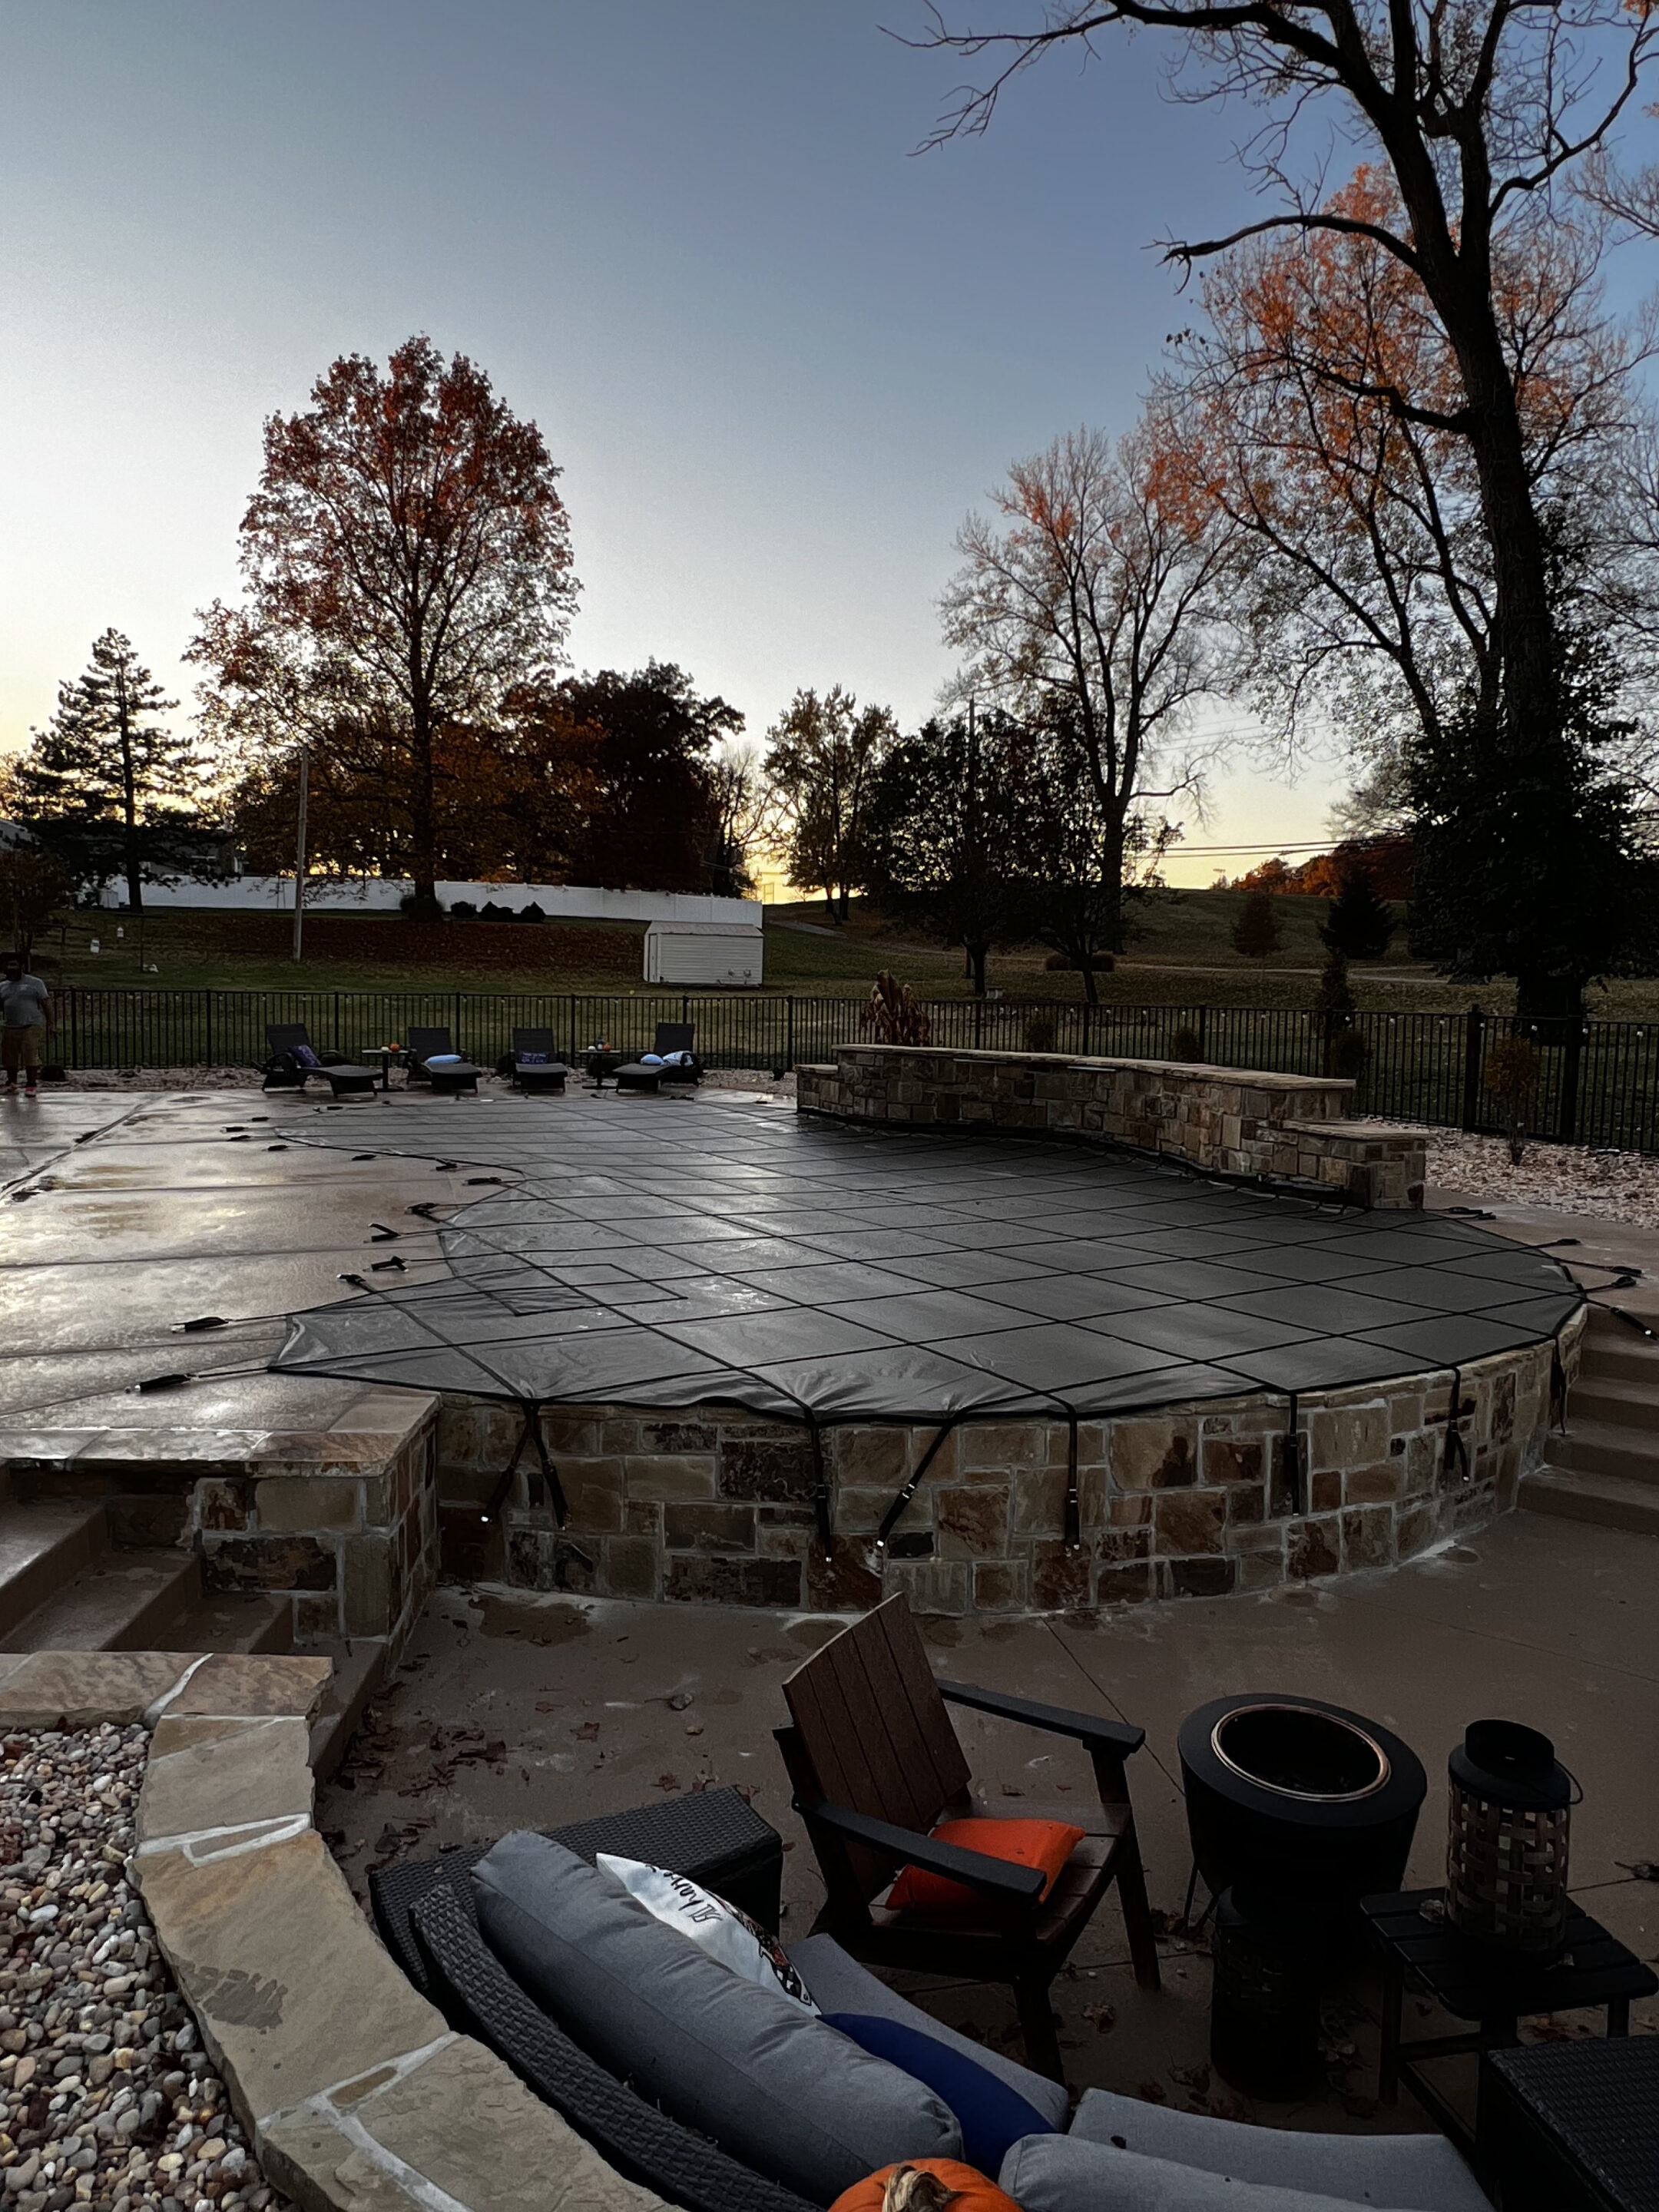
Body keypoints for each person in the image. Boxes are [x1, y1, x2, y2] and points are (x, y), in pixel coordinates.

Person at [1, 955, 54, 1094]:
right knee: (9, 1057)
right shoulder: (3, 986)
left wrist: (51, 1023)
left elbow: (46, 1003)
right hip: (10, 1025)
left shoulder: (35, 983)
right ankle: (12, 1083)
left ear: (21, 967)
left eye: (14, 965)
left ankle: (31, 1084)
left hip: (31, 1025)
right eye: (9, 965)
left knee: (30, 1054)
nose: (11, 968)